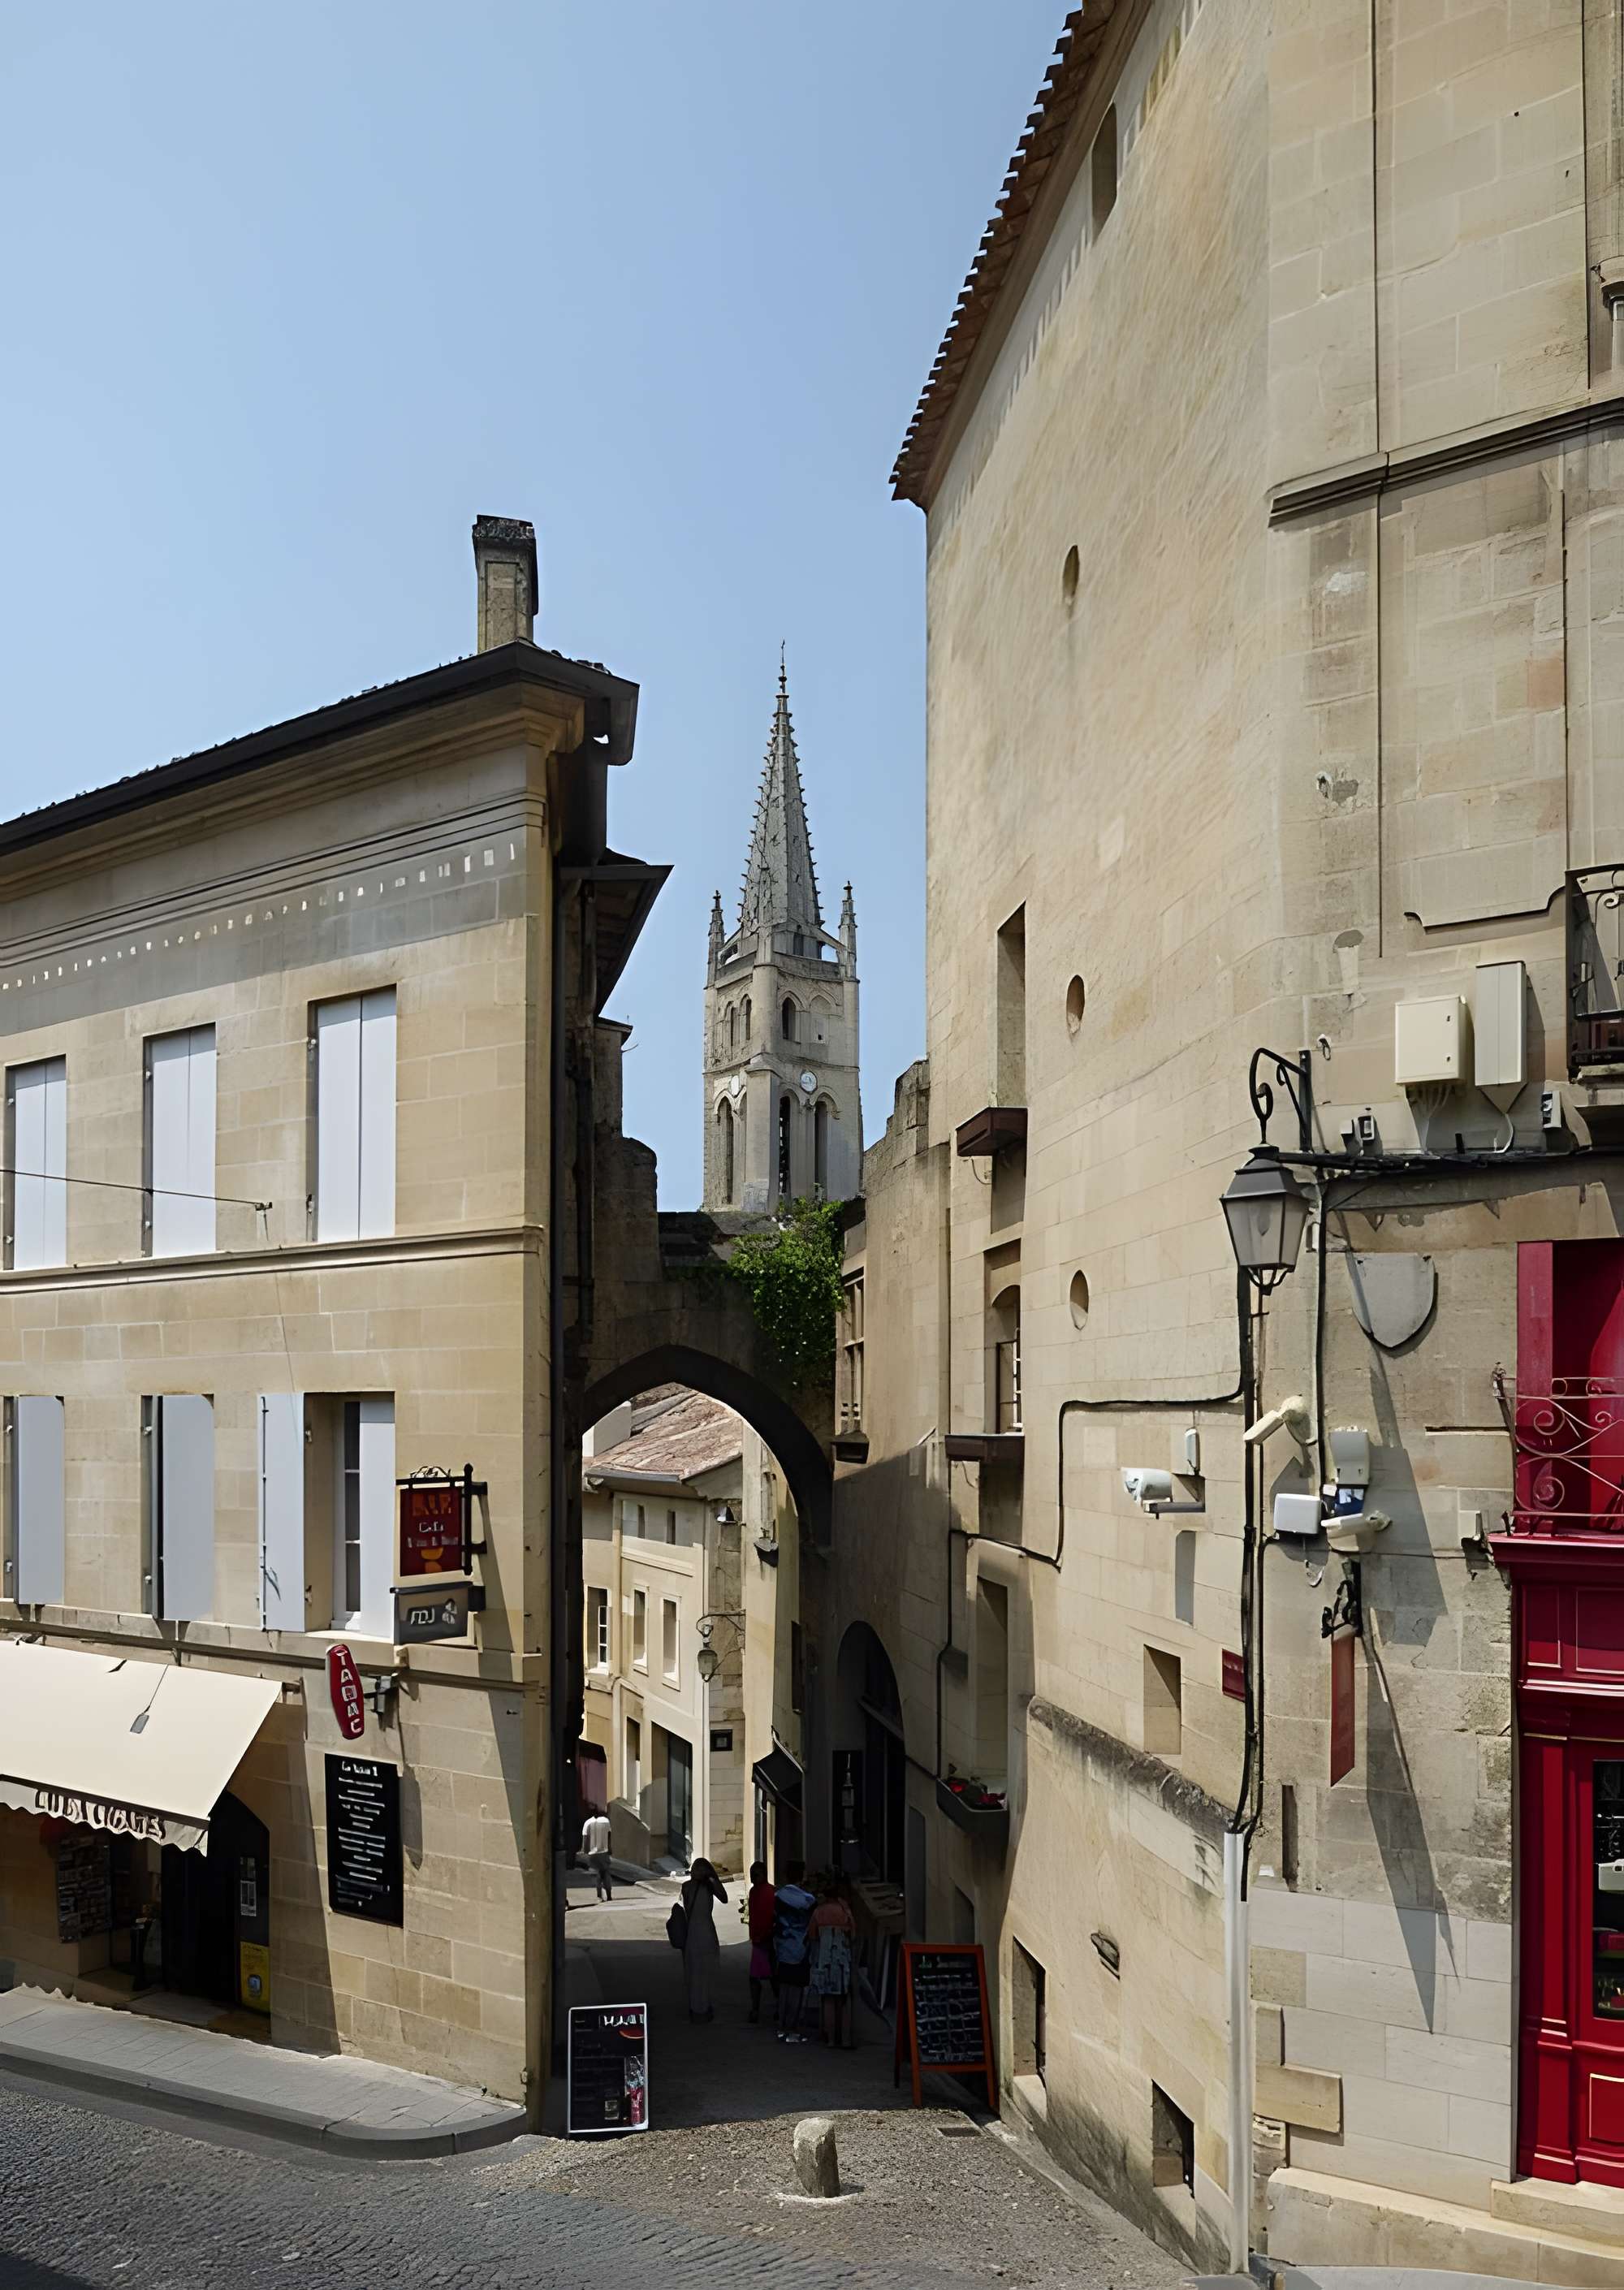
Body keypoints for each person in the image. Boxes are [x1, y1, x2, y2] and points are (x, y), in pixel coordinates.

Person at [771, 1860, 818, 2042]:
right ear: (802, 1875)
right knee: (797, 1991)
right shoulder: (808, 1899)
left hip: (783, 1948)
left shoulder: (779, 1896)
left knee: (784, 1990)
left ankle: (782, 2027)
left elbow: (774, 1921)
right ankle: (794, 2029)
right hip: (801, 1949)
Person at [809, 1873, 857, 2048]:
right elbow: (853, 1935)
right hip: (842, 1961)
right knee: (844, 2001)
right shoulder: (845, 1911)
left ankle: (829, 2039)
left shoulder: (819, 1912)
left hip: (824, 1960)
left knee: (827, 2000)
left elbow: (812, 1936)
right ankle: (845, 2040)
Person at [680, 1856, 728, 2022]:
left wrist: (712, 1879)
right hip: (701, 1931)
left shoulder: (702, 1887)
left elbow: (724, 1898)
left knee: (699, 1970)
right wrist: (710, 1879)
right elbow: (723, 1897)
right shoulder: (694, 1887)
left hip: (700, 1931)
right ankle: (701, 2007)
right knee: (699, 1971)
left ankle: (700, 2008)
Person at [746, 1860, 776, 2022]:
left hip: (766, 1938)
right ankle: (757, 2008)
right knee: (764, 1976)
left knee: (765, 1976)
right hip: (760, 1939)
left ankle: (757, 2009)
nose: (752, 1879)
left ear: (763, 1875)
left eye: (755, 1875)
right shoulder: (755, 1892)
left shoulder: (770, 1892)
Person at [581, 1808, 613, 1900]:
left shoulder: (587, 1823)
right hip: (604, 1852)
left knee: (597, 1874)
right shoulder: (606, 1821)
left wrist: (585, 1852)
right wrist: (610, 1849)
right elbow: (609, 1837)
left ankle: (599, 1896)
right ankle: (609, 1895)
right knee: (606, 1873)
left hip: (593, 1854)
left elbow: (585, 1840)